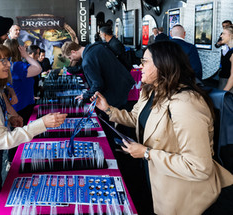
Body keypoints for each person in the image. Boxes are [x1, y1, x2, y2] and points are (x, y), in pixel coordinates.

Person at [91, 41, 233, 215]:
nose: (140, 66)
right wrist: (107, 109)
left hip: (184, 196)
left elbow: (198, 167)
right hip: (156, 180)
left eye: (145, 61)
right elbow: (136, 118)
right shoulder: (152, 91)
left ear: (162, 64)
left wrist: (146, 153)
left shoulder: (186, 104)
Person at [0, 42, 67, 215]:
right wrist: (42, 124)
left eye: (7, 59)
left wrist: (10, 118)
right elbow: (3, 141)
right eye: (2, 60)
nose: (8, 64)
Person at [3, 39, 42, 168]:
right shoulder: (18, 65)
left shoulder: (10, 66)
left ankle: (11, 160)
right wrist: (25, 55)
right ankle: (14, 162)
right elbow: (38, 68)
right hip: (22, 106)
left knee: (16, 134)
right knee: (19, 135)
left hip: (18, 105)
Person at [61, 41, 135, 108]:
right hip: (125, 84)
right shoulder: (97, 46)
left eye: (70, 57)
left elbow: (98, 84)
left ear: (73, 52)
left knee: (120, 119)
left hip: (116, 94)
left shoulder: (87, 61)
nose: (71, 60)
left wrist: (85, 96)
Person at [219, 25, 233, 93]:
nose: (221, 36)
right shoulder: (229, 50)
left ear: (231, 35)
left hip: (228, 87)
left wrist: (223, 93)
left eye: (224, 34)